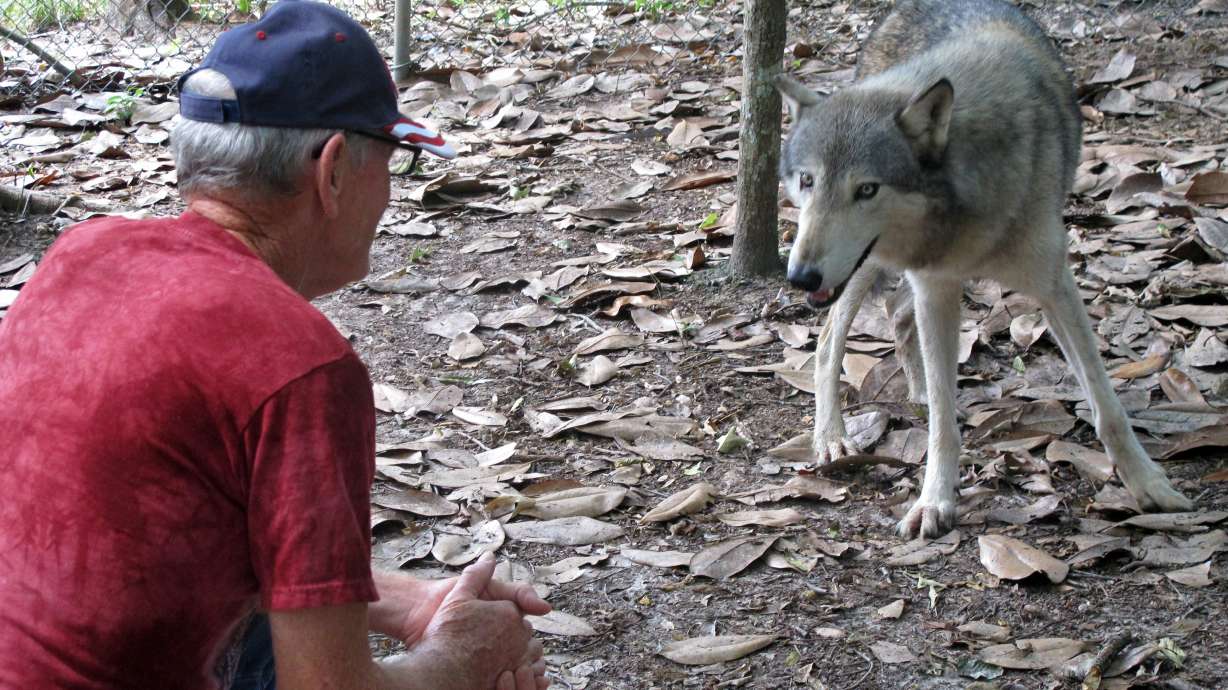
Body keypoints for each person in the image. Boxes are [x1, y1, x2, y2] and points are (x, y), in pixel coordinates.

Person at [0, 2, 550, 688]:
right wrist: (463, 660)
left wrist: (414, 604)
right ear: (335, 169)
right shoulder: (298, 366)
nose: (389, 197)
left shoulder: (81, 254)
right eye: (392, 164)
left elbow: (177, 527)